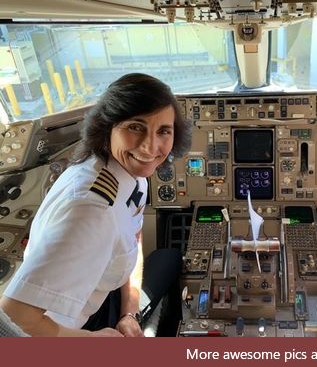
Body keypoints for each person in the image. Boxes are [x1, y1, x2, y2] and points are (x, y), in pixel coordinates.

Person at [0, 73, 191, 336]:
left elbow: (130, 239)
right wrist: (95, 340)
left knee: (169, 257)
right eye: (136, 127)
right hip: (64, 326)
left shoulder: (129, 174)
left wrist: (129, 313)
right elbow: (16, 319)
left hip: (104, 292)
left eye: (163, 131)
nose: (150, 147)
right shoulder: (90, 209)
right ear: (107, 127)